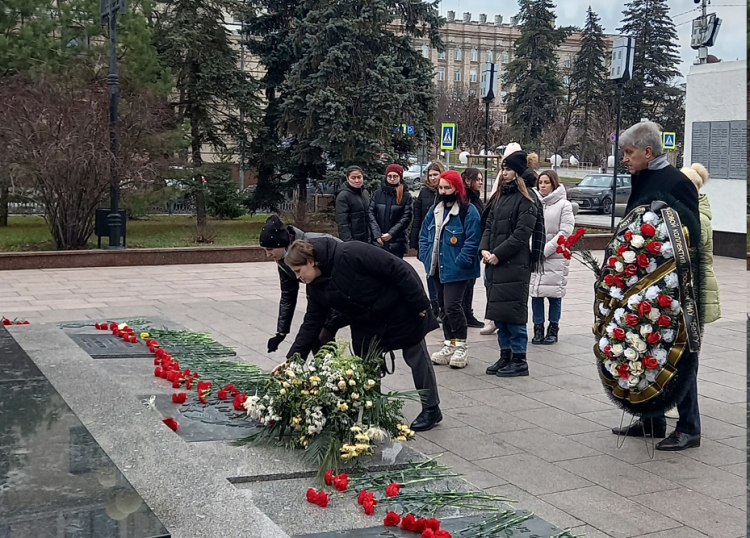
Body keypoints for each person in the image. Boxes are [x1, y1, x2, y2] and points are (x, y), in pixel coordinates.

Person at [283, 238, 442, 432]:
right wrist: (292, 361)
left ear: (310, 261)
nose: (298, 277)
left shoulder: (349, 252)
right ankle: (372, 411)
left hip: (399, 306)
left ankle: (431, 409)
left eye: (298, 271)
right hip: (366, 321)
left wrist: (419, 302)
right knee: (367, 365)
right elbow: (311, 324)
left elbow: (396, 268)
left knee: (415, 354)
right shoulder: (315, 287)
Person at [610, 121, 703, 451]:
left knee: (676, 354)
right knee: (641, 347)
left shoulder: (677, 183)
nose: (625, 158)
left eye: (629, 152)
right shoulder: (641, 178)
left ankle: (690, 427)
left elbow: (689, 235)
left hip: (670, 286)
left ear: (648, 151)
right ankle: (652, 419)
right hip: (638, 282)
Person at [481, 151, 545, 378]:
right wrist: (485, 249)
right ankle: (505, 354)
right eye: (502, 169)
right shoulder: (499, 196)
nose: (504, 173)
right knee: (499, 313)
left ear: (517, 172)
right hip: (495, 263)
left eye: (507, 169)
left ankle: (519, 359)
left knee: (514, 314)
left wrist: (498, 253)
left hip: (514, 264)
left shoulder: (527, 199)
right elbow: (489, 225)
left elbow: (522, 234)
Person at [418, 170, 482, 369]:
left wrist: (461, 261)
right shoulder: (435, 209)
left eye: (448, 187)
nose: (444, 191)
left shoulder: (467, 211)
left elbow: (473, 240)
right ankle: (449, 343)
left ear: (457, 188)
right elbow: (423, 234)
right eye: (441, 188)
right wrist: (426, 256)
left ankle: (461, 345)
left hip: (458, 269)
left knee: (454, 306)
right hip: (437, 266)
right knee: (443, 307)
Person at [259, 215, 344, 353]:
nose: (267, 255)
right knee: (316, 337)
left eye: (269, 249)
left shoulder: (313, 244)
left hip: (344, 289)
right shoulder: (283, 261)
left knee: (321, 335)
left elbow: (342, 266)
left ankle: (334, 371)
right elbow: (288, 295)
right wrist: (281, 333)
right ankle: (327, 372)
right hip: (322, 294)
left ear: (281, 244)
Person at [529, 170, 574, 345]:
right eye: (540, 182)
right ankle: (538, 328)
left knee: (554, 295)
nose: (543, 186)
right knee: (536, 294)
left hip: (555, 256)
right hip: (535, 255)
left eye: (546, 182)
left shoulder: (564, 205)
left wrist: (545, 250)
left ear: (554, 184)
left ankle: (553, 329)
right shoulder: (534, 202)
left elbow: (565, 231)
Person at [410, 161, 445, 319]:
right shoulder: (424, 193)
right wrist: (415, 243)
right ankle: (434, 305)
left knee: (442, 274)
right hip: (428, 240)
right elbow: (417, 218)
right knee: (430, 275)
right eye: (430, 175)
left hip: (443, 240)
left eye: (435, 175)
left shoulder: (446, 191)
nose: (432, 178)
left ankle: (443, 305)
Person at [368, 164, 413, 259]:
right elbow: (371, 213)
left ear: (400, 177)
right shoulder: (377, 194)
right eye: (390, 176)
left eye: (395, 176)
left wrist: (391, 234)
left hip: (397, 242)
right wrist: (377, 235)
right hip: (378, 241)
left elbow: (406, 217)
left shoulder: (406, 196)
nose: (392, 179)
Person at [460, 168, 485, 329]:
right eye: (478, 179)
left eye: (482, 179)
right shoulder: (465, 200)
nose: (481, 182)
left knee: (470, 283)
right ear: (469, 181)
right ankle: (464, 313)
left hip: (476, 248)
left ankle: (467, 312)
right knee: (465, 283)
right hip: (467, 247)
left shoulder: (476, 199)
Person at [335, 166, 371, 242]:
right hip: (353, 241)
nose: (357, 180)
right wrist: (348, 242)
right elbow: (342, 223)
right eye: (353, 178)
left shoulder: (365, 193)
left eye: (359, 177)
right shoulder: (343, 196)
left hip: (367, 239)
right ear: (347, 178)